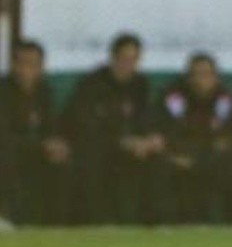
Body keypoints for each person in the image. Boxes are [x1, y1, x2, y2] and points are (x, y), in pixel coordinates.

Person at [62, 32, 163, 223]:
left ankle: (153, 226)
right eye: (124, 58)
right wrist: (121, 141)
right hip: (98, 148)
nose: (128, 65)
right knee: (92, 161)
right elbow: (84, 126)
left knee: (158, 161)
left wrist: (149, 140)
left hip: (131, 150)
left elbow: (147, 120)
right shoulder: (92, 84)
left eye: (134, 59)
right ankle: (101, 224)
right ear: (113, 57)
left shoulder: (140, 84)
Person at [155, 53, 232, 223]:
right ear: (188, 77)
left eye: (207, 74)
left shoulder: (225, 99)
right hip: (179, 157)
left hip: (213, 159)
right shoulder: (174, 98)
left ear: (216, 77)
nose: (201, 80)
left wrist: (205, 155)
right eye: (196, 75)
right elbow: (168, 131)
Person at [0, 40, 71, 224]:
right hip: (11, 152)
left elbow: (51, 127)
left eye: (34, 64)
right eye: (23, 63)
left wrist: (57, 145)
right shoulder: (4, 91)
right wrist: (40, 145)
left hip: (38, 152)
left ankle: (57, 225)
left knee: (65, 163)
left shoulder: (44, 91)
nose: (28, 70)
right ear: (14, 65)